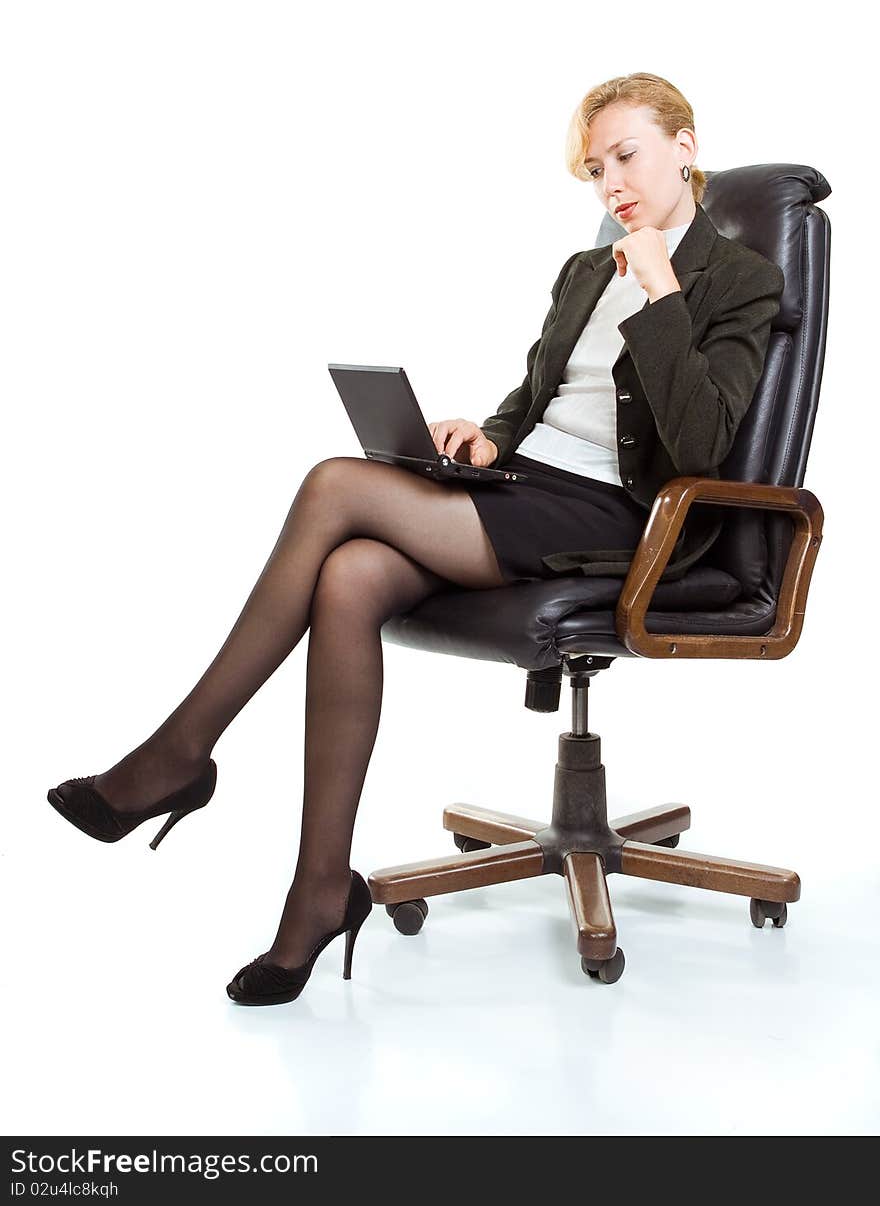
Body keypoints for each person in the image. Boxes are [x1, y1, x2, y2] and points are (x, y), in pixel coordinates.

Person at [46, 71, 784, 1006]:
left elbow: (701, 441)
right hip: (528, 481)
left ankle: (177, 757)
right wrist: (485, 436)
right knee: (351, 575)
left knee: (334, 485)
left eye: (627, 157)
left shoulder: (743, 280)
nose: (612, 185)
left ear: (685, 145)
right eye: (596, 170)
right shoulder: (581, 270)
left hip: (624, 517)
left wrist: (663, 295)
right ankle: (318, 893)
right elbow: (537, 400)